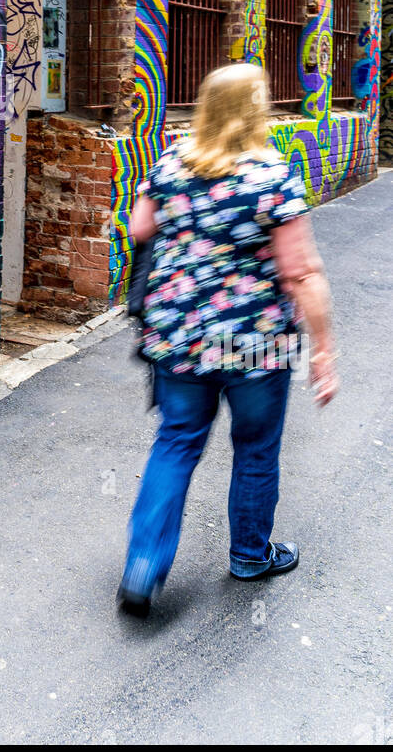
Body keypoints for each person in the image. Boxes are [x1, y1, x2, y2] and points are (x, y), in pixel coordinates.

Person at [118, 63, 338, 618]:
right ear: (255, 110)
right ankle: (249, 555)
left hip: (178, 335)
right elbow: (302, 273)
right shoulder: (272, 177)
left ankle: (143, 568)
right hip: (257, 342)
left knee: (176, 442)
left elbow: (140, 229)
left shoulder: (169, 164)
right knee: (256, 448)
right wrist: (325, 351)